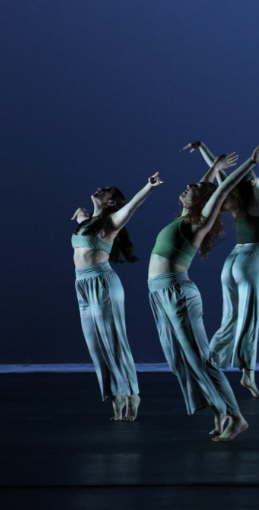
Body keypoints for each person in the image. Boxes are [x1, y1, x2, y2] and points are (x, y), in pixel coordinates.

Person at [148, 143, 259, 442]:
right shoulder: (183, 217)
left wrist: (251, 162)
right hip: (158, 292)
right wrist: (214, 167)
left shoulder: (200, 221)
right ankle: (218, 412)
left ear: (201, 202)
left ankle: (236, 417)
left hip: (177, 292)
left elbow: (220, 190)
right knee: (179, 360)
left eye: (193, 188)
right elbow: (207, 186)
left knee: (200, 359)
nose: (189, 185)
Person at [181, 126, 259, 397]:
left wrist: (201, 146)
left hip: (232, 261)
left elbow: (219, 172)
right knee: (249, 318)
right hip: (253, 259)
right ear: (251, 182)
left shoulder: (233, 200)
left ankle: (209, 366)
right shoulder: (258, 198)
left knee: (230, 318)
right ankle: (247, 375)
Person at [72, 173, 162, 421]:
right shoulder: (88, 222)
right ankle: (116, 395)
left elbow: (132, 206)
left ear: (111, 202)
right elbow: (82, 216)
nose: (99, 188)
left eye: (105, 190)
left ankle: (132, 394)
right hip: (82, 285)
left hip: (102, 283)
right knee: (95, 345)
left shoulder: (112, 221)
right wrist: (81, 211)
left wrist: (149, 186)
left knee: (114, 342)